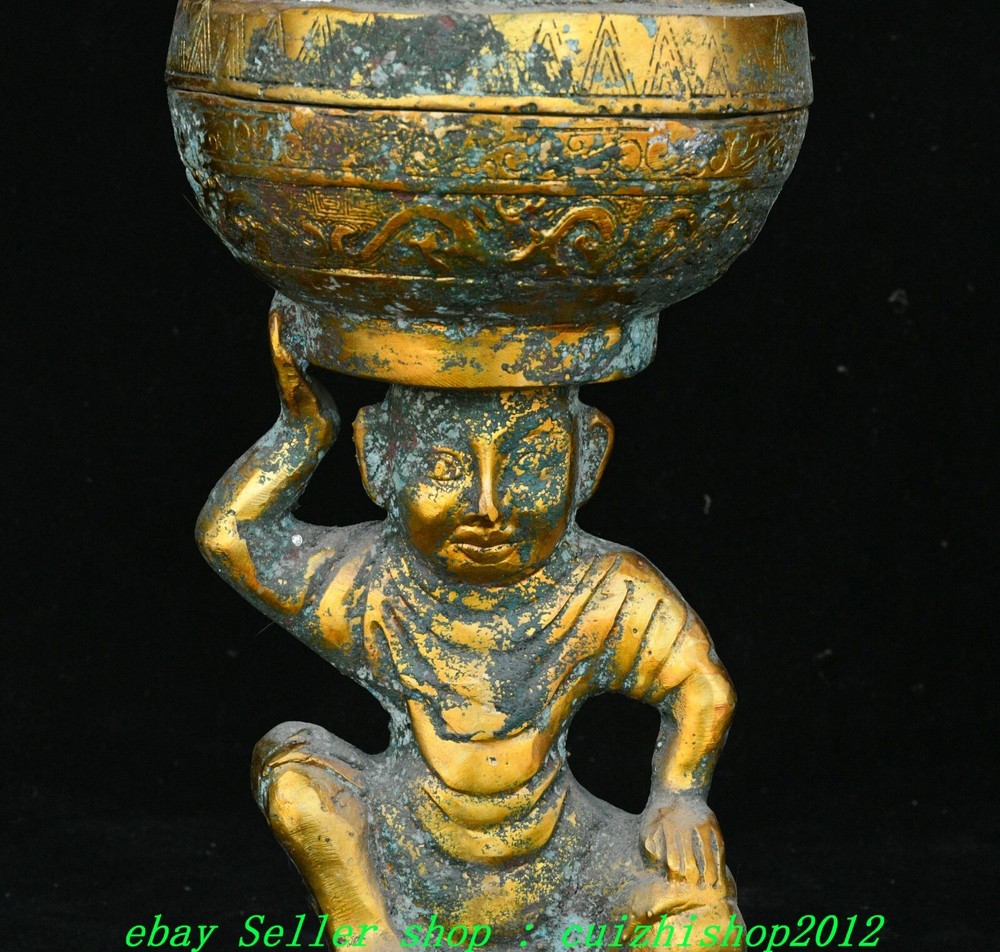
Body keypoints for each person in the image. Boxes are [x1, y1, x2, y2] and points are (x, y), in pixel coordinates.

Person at [197, 303, 743, 950]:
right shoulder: (374, 583)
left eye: (529, 465)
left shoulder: (604, 591)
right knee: (292, 773)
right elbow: (231, 537)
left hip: (571, 868)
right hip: (400, 847)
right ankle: (370, 934)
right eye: (444, 469)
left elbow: (700, 686)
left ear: (588, 460)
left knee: (707, 926)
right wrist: (303, 432)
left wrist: (680, 793)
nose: (489, 507)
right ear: (377, 461)